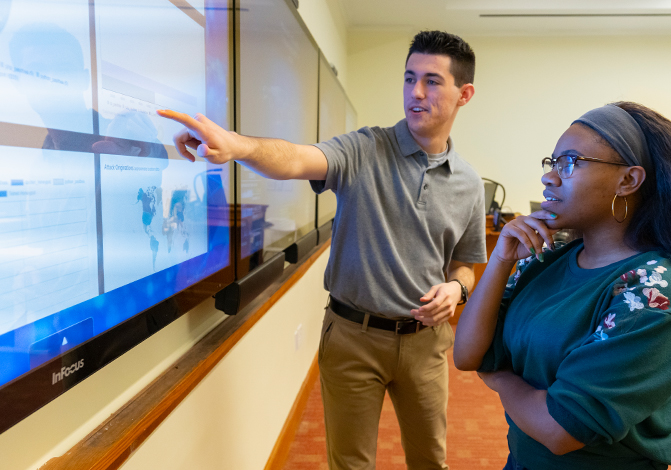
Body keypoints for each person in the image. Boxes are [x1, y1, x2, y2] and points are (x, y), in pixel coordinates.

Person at [158, 30, 486, 470]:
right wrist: (238, 146)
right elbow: (295, 159)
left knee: (431, 461)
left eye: (432, 80)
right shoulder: (365, 149)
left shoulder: (468, 183)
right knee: (349, 465)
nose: (416, 92)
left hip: (425, 344)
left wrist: (456, 290)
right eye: (409, 78)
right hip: (354, 338)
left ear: (464, 94)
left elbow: (466, 265)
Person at [453, 102, 671, 470]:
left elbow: (561, 429)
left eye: (570, 162)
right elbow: (466, 355)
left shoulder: (654, 292)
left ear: (628, 180)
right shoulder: (545, 258)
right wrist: (499, 260)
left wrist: (499, 377)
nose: (550, 177)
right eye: (552, 162)